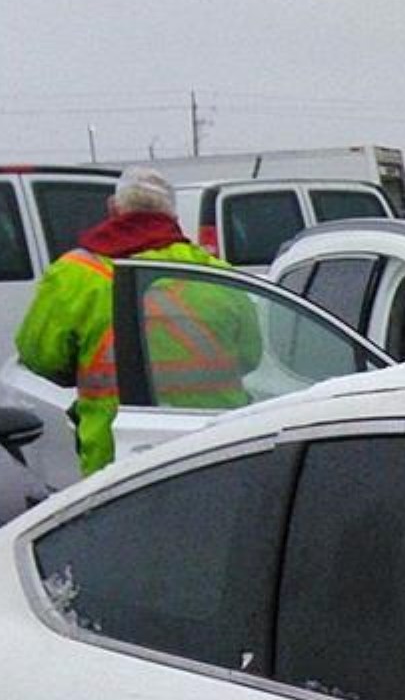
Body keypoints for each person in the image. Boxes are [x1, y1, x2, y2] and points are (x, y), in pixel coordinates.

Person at [13, 167, 254, 474]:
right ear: (173, 216)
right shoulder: (217, 274)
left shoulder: (74, 274)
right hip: (211, 450)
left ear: (113, 208)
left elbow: (40, 357)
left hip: (117, 455)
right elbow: (249, 357)